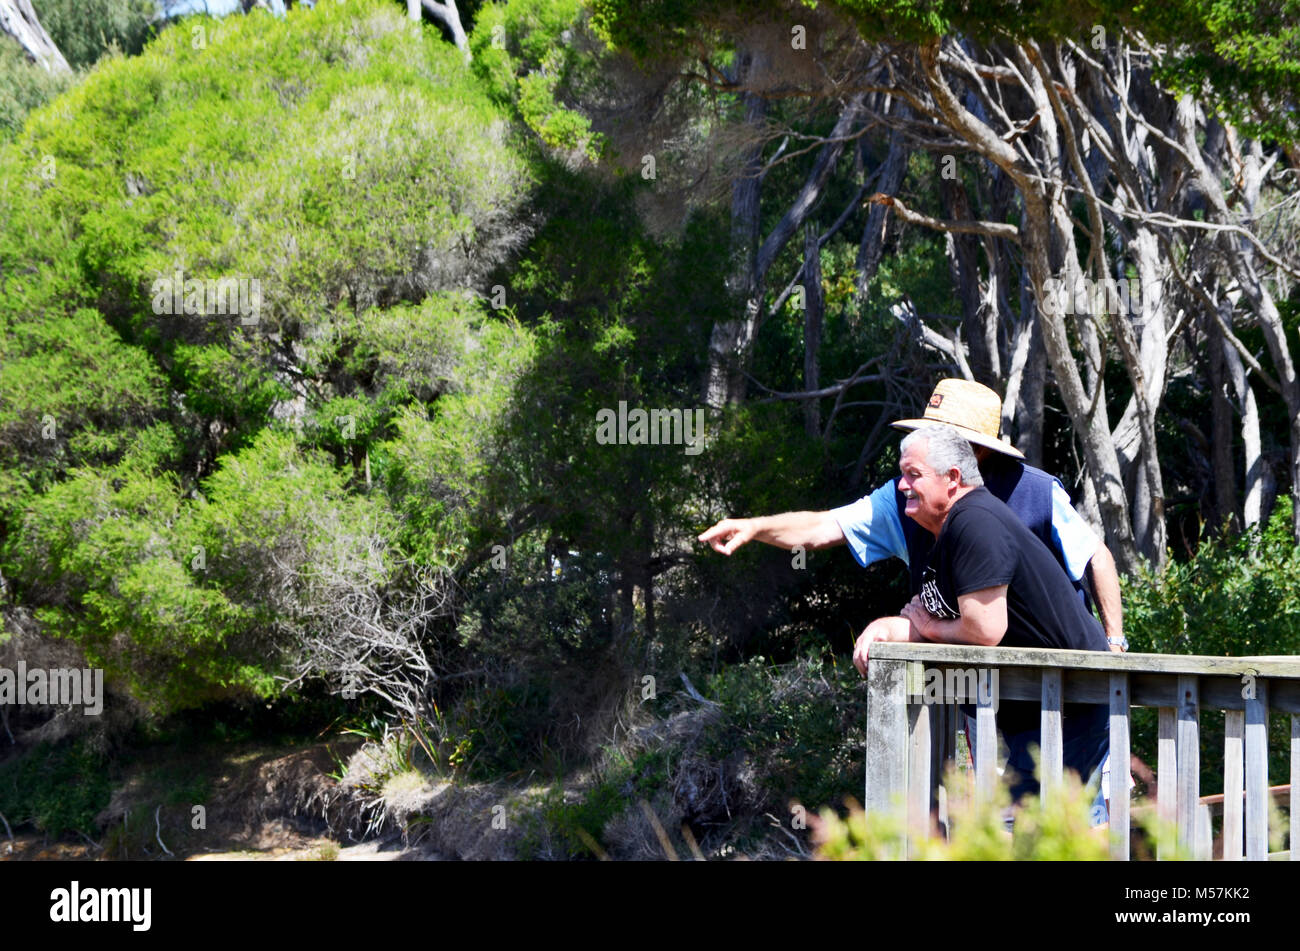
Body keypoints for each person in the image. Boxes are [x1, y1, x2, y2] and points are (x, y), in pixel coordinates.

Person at [696, 379, 1126, 676]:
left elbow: (1096, 557)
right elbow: (826, 526)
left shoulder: (1033, 491)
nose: (924, 446)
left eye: (940, 435)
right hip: (979, 683)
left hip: (1063, 677)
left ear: (972, 452)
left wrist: (1114, 647)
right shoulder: (909, 495)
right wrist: (754, 527)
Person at [890, 423, 1112, 814]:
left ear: (953, 478)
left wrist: (930, 628)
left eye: (913, 474)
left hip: (1071, 700)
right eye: (902, 473)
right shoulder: (960, 523)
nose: (902, 485)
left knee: (1040, 827)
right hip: (1042, 703)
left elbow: (986, 628)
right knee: (1045, 828)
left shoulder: (976, 522)